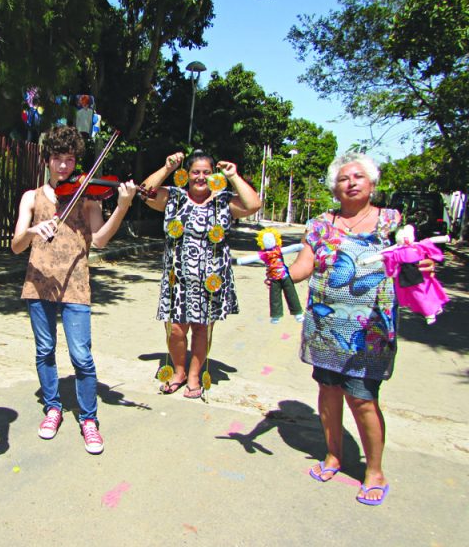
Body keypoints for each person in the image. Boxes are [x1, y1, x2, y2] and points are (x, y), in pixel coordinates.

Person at [286, 152, 435, 506]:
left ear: (371, 183)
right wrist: (280, 274)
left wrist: (423, 266)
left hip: (371, 329)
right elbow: (304, 266)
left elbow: (413, 260)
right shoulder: (320, 224)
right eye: (343, 178)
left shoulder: (392, 222)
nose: (351, 182)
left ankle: (375, 471)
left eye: (358, 177)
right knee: (328, 391)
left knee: (363, 398)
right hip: (324, 326)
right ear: (334, 187)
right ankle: (333, 456)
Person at [11, 126, 137, 454]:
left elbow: (100, 240)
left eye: (69, 159)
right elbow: (16, 245)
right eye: (57, 158)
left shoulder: (87, 197)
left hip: (76, 284)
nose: (64, 166)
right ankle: (53, 407)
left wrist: (122, 206)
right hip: (38, 284)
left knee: (81, 355)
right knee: (44, 350)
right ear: (47, 160)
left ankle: (88, 418)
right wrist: (33, 230)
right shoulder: (31, 197)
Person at [141, 150, 261, 398]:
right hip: (177, 278)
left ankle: (194, 375)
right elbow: (145, 192)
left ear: (214, 175)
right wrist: (167, 168)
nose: (201, 177)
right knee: (175, 329)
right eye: (195, 172)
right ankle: (179, 371)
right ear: (187, 174)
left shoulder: (223, 201)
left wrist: (233, 176)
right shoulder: (174, 197)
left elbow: (253, 205)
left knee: (201, 329)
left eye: (207, 172)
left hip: (211, 279)